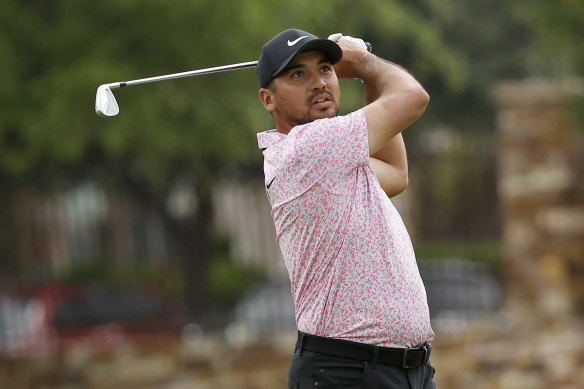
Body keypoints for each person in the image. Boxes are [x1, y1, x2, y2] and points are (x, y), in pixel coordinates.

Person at [256, 28, 436, 388]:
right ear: (268, 100)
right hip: (346, 372)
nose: (319, 82)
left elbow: (396, 175)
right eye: (298, 74)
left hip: (400, 371)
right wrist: (364, 62)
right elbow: (413, 97)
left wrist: (366, 80)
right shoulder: (308, 148)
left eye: (325, 68)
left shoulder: (332, 157)